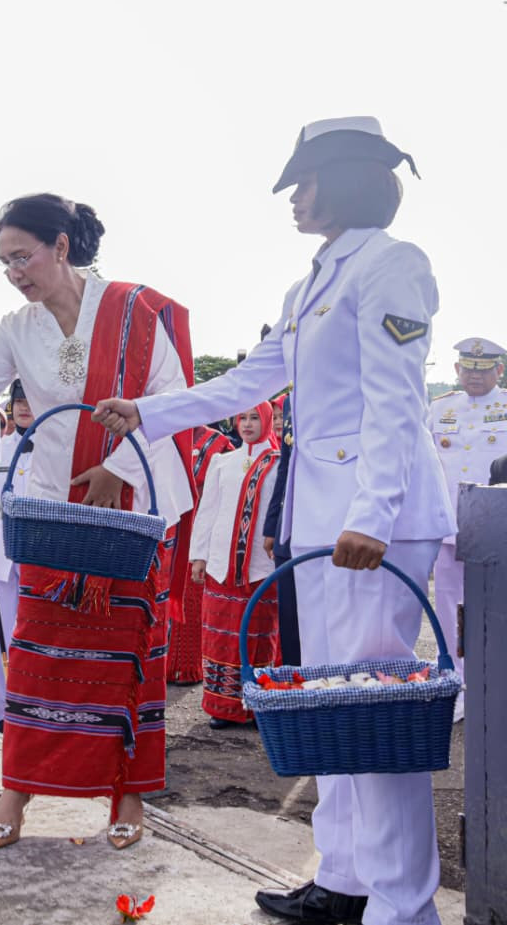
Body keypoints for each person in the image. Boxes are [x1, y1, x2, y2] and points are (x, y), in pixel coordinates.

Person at [95, 116, 454, 925]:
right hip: (324, 526)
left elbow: (398, 402)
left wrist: (371, 513)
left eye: (304, 181)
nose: (294, 197)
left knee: (373, 715)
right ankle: (346, 878)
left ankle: (403, 905)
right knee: (331, 705)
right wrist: (147, 412)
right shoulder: (311, 283)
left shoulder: (393, 264)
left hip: (374, 522)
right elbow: (250, 381)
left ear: (348, 177)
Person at [0, 193, 195, 852]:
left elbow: (174, 401)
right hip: (55, 514)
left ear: (61, 246)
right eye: (4, 262)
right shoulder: (18, 329)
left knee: (129, 658)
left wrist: (120, 472)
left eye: (23, 255)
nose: (15, 271)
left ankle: (127, 795)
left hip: (128, 513)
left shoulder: (137, 310)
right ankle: (18, 791)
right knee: (36, 659)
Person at [189, 403, 282, 727]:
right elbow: (207, 511)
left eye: (255, 417)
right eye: (242, 417)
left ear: (267, 420)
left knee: (259, 636)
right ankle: (222, 707)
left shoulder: (279, 463)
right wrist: (199, 556)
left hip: (260, 568)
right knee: (220, 637)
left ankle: (256, 706)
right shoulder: (222, 462)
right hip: (220, 567)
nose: (246, 424)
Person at [428, 336, 505, 723]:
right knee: (450, 609)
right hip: (450, 525)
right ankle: (457, 685)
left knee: (498, 608)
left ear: (499, 371)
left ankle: (495, 684)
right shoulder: (439, 409)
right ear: (457, 370)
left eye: (484, 369)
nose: (476, 376)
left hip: (499, 525)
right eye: (468, 369)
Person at [0, 379, 35, 732]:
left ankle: (33, 709)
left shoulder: (58, 450)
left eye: (32, 400)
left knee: (34, 636)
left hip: (38, 555)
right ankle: (2, 712)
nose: (25, 407)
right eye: (19, 401)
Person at [168, 424, 233, 684]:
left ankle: (187, 667)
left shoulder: (217, 444)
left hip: (198, 523)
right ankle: (162, 664)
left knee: (191, 595)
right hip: (167, 521)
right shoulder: (163, 436)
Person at [263, 392, 300, 665]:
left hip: (332, 530)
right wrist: (272, 525)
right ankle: (296, 695)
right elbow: (285, 467)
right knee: (291, 620)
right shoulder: (290, 400)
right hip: (290, 529)